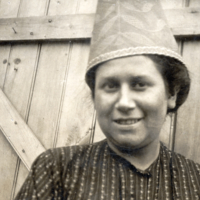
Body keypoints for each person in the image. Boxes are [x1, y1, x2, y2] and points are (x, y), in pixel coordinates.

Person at [15, 0, 200, 199]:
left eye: (140, 84)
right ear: (95, 97)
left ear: (171, 93)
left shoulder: (194, 180)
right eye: (110, 86)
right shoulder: (56, 170)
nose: (124, 102)